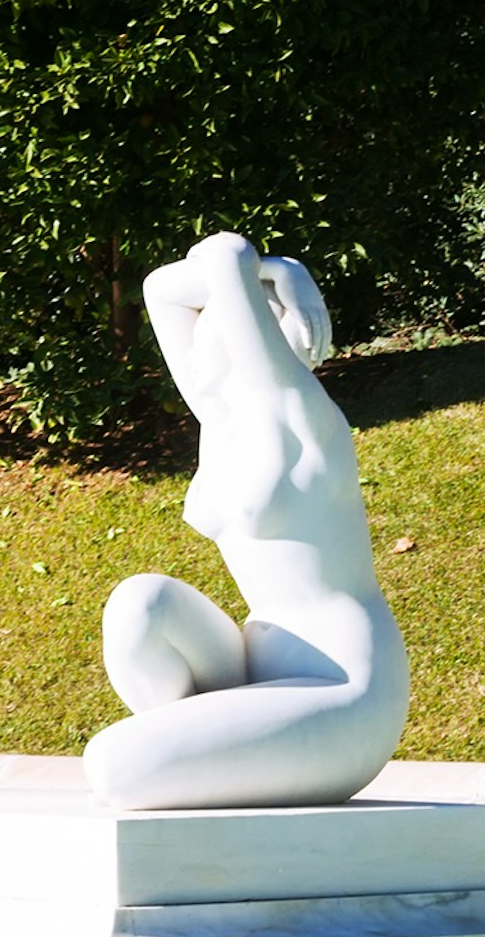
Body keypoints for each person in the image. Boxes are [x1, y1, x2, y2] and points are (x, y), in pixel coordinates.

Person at [85, 232, 410, 811]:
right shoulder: (220, 419)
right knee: (139, 605)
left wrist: (288, 274)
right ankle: (201, 747)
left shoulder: (300, 415)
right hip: (255, 667)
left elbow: (227, 253)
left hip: (345, 690)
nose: (199, 339)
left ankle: (183, 755)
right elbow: (161, 288)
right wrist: (278, 271)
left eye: (221, 324)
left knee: (114, 767)